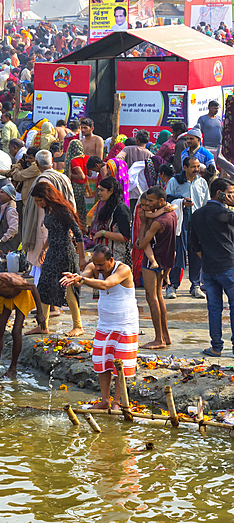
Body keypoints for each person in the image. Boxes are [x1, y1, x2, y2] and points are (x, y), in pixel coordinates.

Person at [60, 244, 138, 410]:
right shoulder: (94, 267)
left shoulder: (123, 269)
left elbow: (107, 284)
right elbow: (82, 280)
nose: (98, 268)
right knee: (102, 362)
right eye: (95, 264)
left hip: (124, 324)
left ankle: (117, 402)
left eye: (101, 265)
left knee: (120, 364)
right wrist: (75, 278)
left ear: (111, 260)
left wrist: (82, 279)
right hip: (105, 324)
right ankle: (105, 400)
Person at [29, 182, 85, 337]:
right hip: (52, 253)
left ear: (47, 197)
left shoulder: (63, 210)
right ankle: (43, 325)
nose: (38, 204)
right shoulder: (47, 209)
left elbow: (78, 234)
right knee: (44, 287)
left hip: (66, 254)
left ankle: (78, 325)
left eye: (40, 201)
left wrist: (81, 258)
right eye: (36, 201)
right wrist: (44, 248)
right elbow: (52, 232)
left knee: (68, 288)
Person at [189, 178, 234, 357]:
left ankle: (216, 347)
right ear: (219, 193)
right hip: (229, 266)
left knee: (214, 309)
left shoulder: (198, 214)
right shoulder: (225, 213)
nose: (232, 196)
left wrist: (208, 258)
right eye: (230, 192)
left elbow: (194, 244)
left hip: (208, 269)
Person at [134, 186, 178, 349]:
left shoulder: (157, 222)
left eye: (151, 202)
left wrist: (144, 223)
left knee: (152, 298)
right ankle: (165, 335)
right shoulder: (171, 214)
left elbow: (142, 244)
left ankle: (159, 339)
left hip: (153, 260)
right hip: (164, 258)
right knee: (158, 297)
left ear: (161, 201)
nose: (148, 206)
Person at [0, 265, 38, 379]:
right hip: (6, 298)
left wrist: (40, 313)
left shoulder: (10, 280)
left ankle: (13, 369)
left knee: (16, 331)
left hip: (22, 295)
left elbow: (32, 287)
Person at [165, 155, 209, 300]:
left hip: (197, 223)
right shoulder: (175, 181)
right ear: (185, 168)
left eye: (198, 166)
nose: (197, 169)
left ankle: (195, 285)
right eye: (193, 167)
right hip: (179, 224)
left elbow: (206, 203)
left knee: (197, 253)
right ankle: (172, 285)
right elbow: (167, 199)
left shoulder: (202, 182)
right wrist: (182, 202)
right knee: (178, 252)